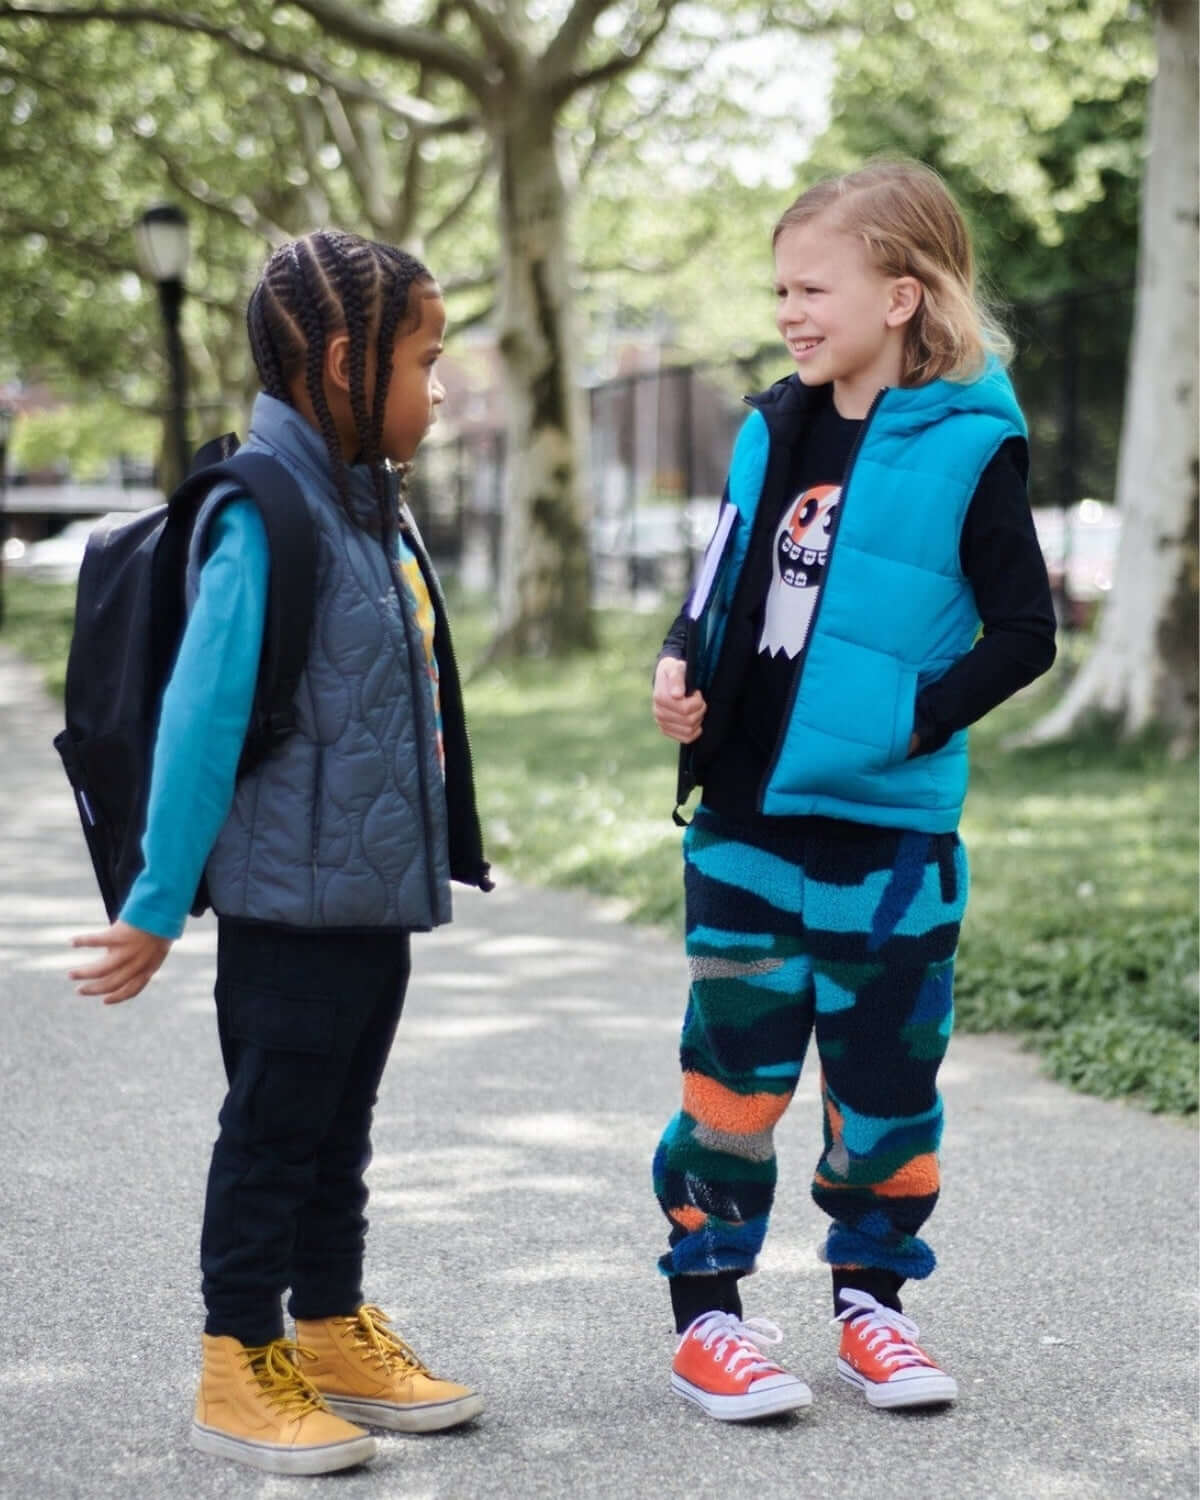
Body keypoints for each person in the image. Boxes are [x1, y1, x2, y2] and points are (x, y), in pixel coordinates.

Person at [69, 230, 493, 1475]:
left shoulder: (368, 502)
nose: (441, 388)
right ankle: (234, 1357)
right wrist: (153, 904)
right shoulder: (266, 515)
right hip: (288, 911)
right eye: (427, 360)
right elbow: (201, 729)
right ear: (348, 361)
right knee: (271, 1133)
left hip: (363, 900)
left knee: (337, 1134)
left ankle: (326, 1329)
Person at [651, 160, 1056, 1422]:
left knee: (886, 1087)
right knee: (733, 1083)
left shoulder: (974, 441)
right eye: (781, 287)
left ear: (902, 293)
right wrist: (679, 663)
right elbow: (721, 583)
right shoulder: (774, 423)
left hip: (890, 843)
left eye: (812, 286)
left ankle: (873, 1303)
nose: (790, 311)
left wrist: (904, 719)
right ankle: (708, 1318)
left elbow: (1023, 631)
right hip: (745, 827)